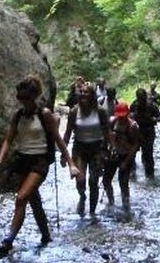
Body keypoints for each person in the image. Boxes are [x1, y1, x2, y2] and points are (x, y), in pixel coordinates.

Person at [0, 76, 81, 256]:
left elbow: (59, 141)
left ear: (33, 97)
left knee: (21, 197)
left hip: (39, 162)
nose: (22, 102)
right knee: (34, 201)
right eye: (20, 98)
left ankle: (8, 240)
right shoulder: (18, 116)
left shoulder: (45, 115)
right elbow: (9, 139)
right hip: (22, 161)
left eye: (25, 98)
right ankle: (46, 235)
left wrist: (71, 164)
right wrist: (0, 158)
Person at [61, 84, 111, 219]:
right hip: (79, 148)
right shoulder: (73, 112)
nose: (82, 94)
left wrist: (111, 148)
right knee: (80, 179)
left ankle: (92, 212)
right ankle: (82, 197)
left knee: (94, 181)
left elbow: (107, 132)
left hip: (97, 148)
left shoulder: (100, 111)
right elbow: (67, 133)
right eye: (80, 92)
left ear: (91, 95)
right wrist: (63, 154)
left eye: (85, 92)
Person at [102, 101, 139, 215]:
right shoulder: (113, 122)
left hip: (126, 156)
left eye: (123, 116)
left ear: (127, 114)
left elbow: (136, 145)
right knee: (106, 180)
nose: (121, 118)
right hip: (114, 154)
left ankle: (126, 206)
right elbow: (107, 137)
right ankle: (111, 202)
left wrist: (126, 161)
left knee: (123, 182)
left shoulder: (132, 126)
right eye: (119, 116)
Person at [130, 88, 160, 179]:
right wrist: (131, 117)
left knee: (148, 153)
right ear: (137, 97)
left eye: (143, 98)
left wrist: (154, 119)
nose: (141, 100)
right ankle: (133, 171)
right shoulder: (134, 105)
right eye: (140, 98)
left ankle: (150, 174)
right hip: (136, 132)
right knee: (132, 152)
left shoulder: (151, 105)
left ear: (145, 96)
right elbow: (129, 115)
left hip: (148, 132)